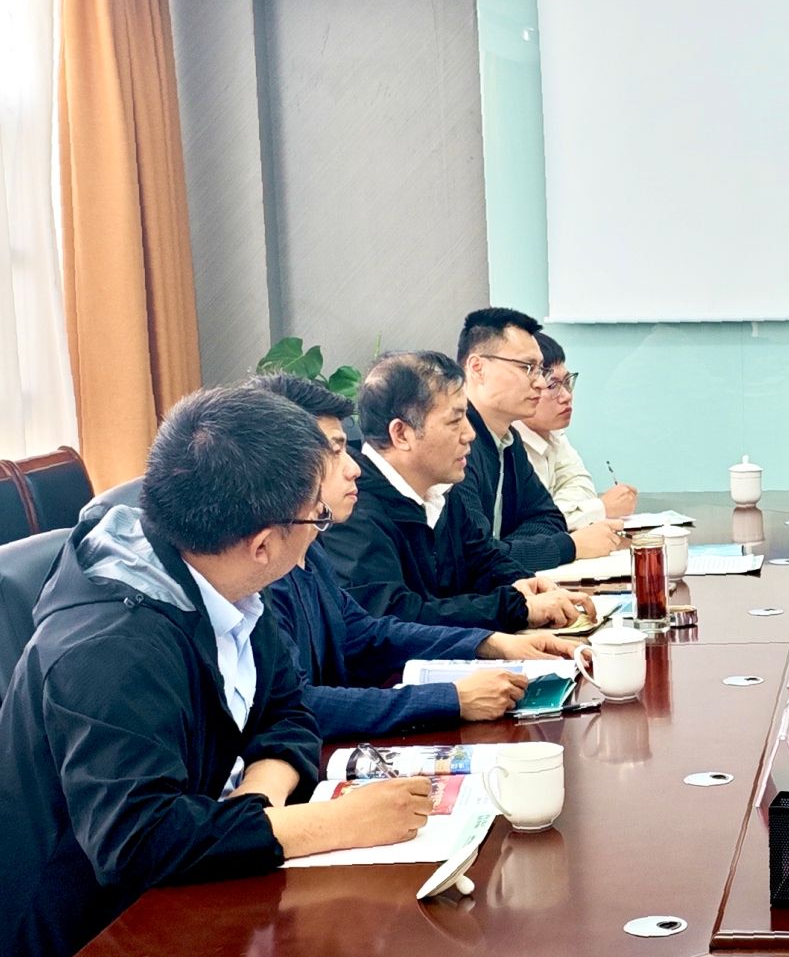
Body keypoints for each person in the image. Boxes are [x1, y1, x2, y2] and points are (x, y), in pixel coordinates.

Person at [0, 387, 437, 957]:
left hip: (176, 904)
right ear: (262, 545)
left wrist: (258, 801)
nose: (319, 533)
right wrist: (335, 824)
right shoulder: (110, 651)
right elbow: (137, 843)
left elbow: (285, 708)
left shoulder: (226, 585)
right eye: (316, 518)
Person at [251, 374, 585, 739]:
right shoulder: (262, 572)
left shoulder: (309, 550)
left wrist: (490, 643)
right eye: (334, 452)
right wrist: (450, 699)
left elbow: (367, 632)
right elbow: (294, 703)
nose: (353, 467)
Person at [323, 351, 591, 633]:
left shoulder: (441, 493)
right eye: (455, 421)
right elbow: (396, 617)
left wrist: (522, 584)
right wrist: (517, 608)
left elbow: (482, 559)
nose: (469, 434)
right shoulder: (353, 510)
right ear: (401, 434)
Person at [454, 308, 628, 573]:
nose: (539, 383)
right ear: (478, 368)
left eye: (539, 370)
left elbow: (549, 518)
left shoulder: (508, 441)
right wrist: (570, 546)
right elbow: (475, 560)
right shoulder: (455, 444)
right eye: (527, 368)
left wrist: (504, 550)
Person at [517, 332, 637, 530]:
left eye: (567, 382)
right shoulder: (508, 443)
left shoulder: (554, 433)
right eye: (552, 385)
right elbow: (529, 525)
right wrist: (601, 508)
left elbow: (580, 483)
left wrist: (559, 511)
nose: (566, 396)